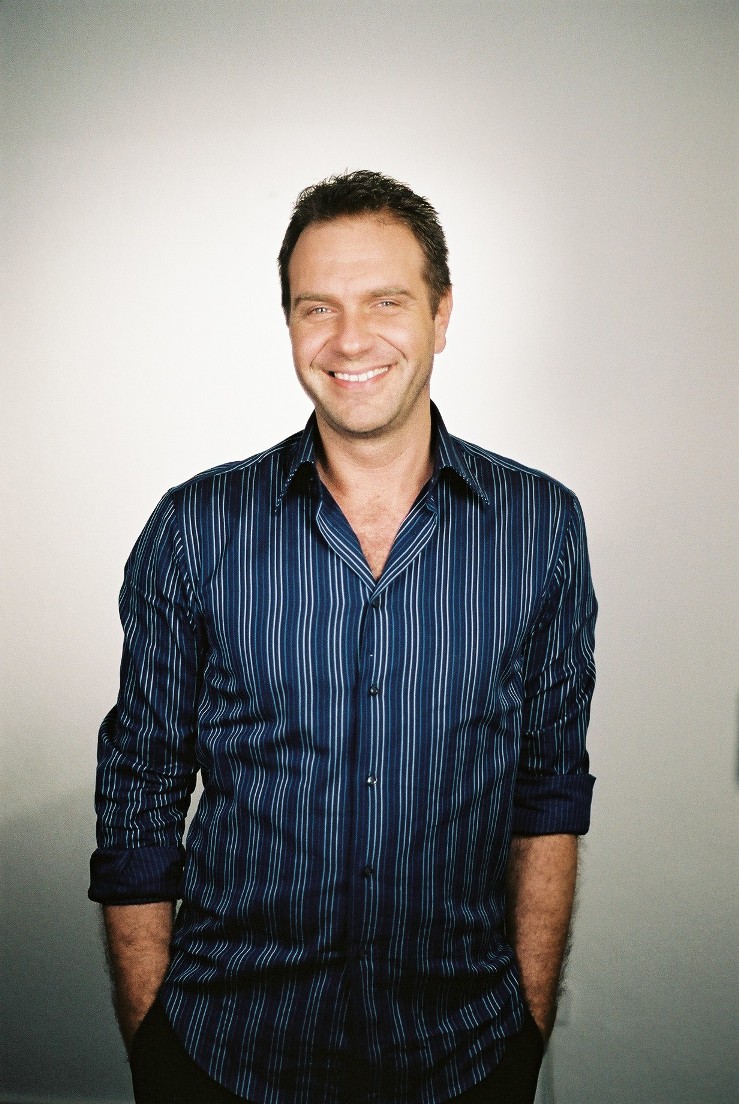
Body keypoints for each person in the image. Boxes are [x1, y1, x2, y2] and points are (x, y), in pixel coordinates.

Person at [89, 170, 596, 1104]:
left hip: (463, 1052)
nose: (349, 339)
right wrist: (154, 1041)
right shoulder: (194, 529)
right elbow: (139, 790)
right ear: (288, 324)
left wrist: (525, 1024)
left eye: (385, 302)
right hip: (225, 1050)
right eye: (316, 307)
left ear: (441, 314)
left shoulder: (541, 527)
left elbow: (549, 788)